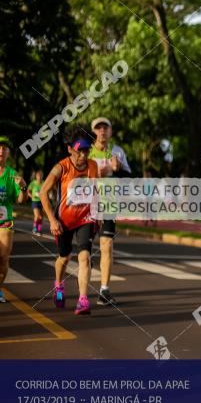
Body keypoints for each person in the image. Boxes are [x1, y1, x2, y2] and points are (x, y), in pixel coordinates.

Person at [40, 126, 99, 315]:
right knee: (64, 257)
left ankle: (83, 300)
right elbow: (43, 192)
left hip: (85, 219)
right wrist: (52, 220)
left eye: (87, 150)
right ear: (70, 149)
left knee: (84, 256)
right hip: (64, 221)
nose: (83, 154)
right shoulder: (61, 167)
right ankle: (58, 284)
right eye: (80, 149)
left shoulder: (93, 166)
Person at [89, 117, 130, 307]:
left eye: (106, 127)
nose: (102, 131)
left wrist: (116, 170)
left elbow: (129, 178)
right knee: (84, 251)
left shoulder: (118, 152)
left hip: (108, 206)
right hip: (87, 206)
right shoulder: (86, 151)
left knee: (106, 247)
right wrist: (98, 173)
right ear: (94, 132)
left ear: (111, 131)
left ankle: (104, 291)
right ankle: (81, 292)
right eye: (99, 128)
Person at [0, 136, 28, 304]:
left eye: (5, 148)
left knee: (3, 258)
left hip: (5, 221)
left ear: (8, 153)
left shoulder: (12, 175)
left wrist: (24, 187)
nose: (1, 150)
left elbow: (20, 200)